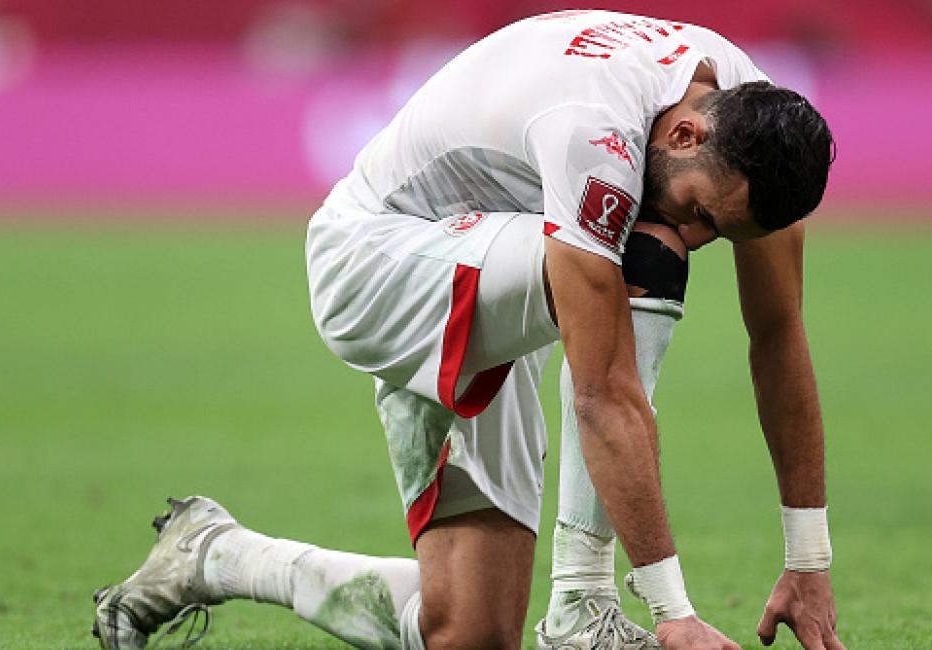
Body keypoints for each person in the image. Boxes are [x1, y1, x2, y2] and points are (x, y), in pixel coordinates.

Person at [93, 9, 841, 650]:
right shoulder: (596, 129)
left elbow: (777, 340)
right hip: (380, 262)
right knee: (648, 249)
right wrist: (672, 612)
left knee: (469, 630)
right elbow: (601, 394)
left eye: (722, 231)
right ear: (681, 133)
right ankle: (582, 606)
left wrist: (808, 562)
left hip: (501, 266)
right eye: (702, 213)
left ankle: (214, 556)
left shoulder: (750, 126)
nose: (701, 235)